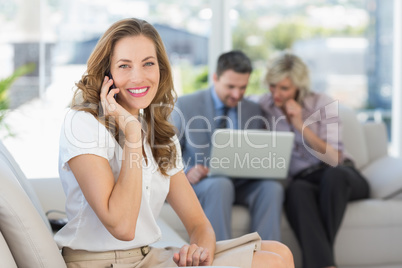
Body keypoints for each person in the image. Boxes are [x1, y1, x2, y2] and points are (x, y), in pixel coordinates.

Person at [54, 18, 294, 268]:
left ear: (161, 69)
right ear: (107, 73)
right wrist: (133, 136)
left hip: (147, 256)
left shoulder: (158, 131)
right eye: (124, 66)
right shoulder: (83, 123)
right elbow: (122, 227)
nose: (138, 77)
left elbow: (199, 225)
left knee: (279, 251)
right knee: (271, 263)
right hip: (102, 262)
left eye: (148, 63)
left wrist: (200, 254)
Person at [259, 52, 370, 268]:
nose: (276, 94)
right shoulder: (264, 106)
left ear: (299, 87)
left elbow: (333, 158)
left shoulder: (323, 104)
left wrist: (300, 125)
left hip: (341, 174)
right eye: (272, 86)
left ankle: (322, 261)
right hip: (305, 179)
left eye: (284, 88)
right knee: (296, 191)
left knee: (334, 177)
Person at [172, 50, 284, 242]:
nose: (236, 94)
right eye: (230, 86)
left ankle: (266, 258)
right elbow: (166, 153)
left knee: (272, 188)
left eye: (242, 88)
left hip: (241, 183)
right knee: (220, 184)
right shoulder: (185, 105)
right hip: (203, 183)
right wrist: (187, 170)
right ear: (215, 78)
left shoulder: (253, 109)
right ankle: (221, 260)